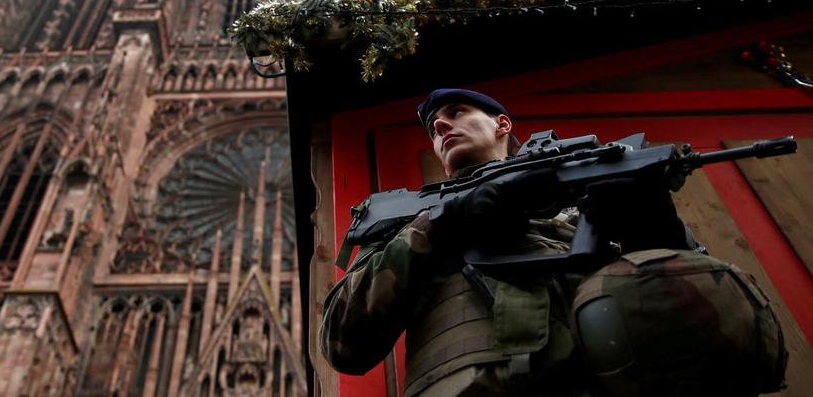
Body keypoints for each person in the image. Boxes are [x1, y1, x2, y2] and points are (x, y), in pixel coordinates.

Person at [318, 89, 787, 396]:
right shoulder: (414, 224)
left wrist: (659, 232)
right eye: (433, 127)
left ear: (503, 125)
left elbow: (694, 312)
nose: (440, 128)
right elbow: (342, 341)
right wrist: (445, 224)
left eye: (456, 113)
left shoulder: (580, 206)